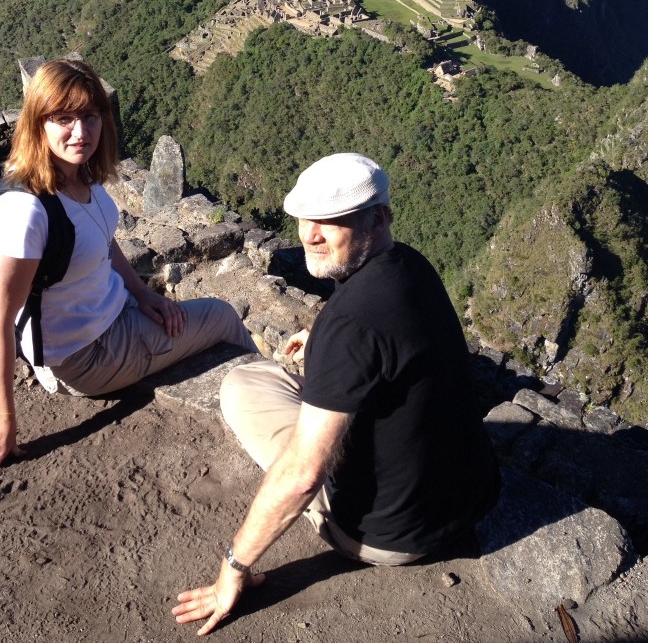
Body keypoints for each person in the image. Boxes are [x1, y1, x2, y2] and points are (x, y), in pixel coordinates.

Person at [172, 153, 500, 635]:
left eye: (333, 219)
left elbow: (304, 476)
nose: (310, 233)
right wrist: (322, 334)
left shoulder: (352, 326)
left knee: (244, 385)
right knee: (275, 379)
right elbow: (381, 336)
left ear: (379, 216)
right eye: (305, 217)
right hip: (468, 498)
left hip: (388, 535)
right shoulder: (410, 265)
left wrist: (232, 570)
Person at [0, 58, 256, 471]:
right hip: (82, 356)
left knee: (194, 313)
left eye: (89, 116)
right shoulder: (25, 212)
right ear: (38, 123)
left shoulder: (78, 174)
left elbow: (103, 244)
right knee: (222, 316)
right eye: (63, 118)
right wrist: (3, 419)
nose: (80, 132)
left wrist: (142, 294)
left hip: (112, 312)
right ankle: (278, 418)